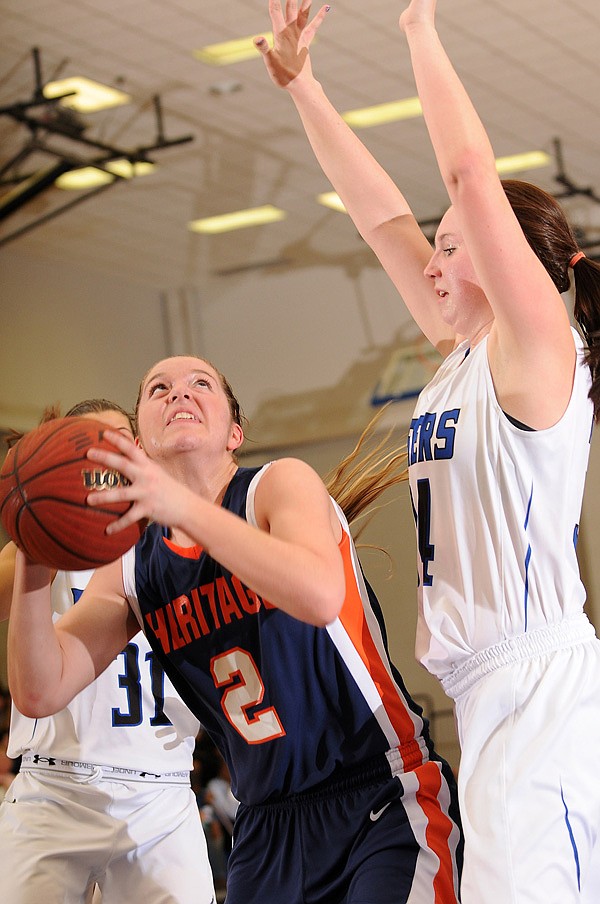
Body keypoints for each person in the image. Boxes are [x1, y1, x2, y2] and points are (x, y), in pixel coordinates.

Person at [255, 1, 600, 901]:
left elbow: (466, 169)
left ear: (510, 256)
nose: (432, 262)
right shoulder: (462, 363)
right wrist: (307, 89)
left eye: (451, 245)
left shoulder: (535, 352)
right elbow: (378, 219)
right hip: (487, 699)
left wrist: (418, 27)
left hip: (541, 695)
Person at [8, 356, 463, 904]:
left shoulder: (277, 485)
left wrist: (182, 506)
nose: (179, 394)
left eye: (200, 384)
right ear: (141, 444)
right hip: (265, 824)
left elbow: (318, 595)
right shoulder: (133, 564)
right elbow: (40, 689)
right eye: (158, 389)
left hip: (380, 795)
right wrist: (35, 557)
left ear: (234, 432)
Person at [0, 399, 215, 904]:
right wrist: (34, 522)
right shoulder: (48, 537)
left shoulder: (184, 535)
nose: (104, 459)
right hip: (54, 787)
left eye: (118, 440)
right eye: (87, 446)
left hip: (161, 790)